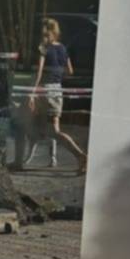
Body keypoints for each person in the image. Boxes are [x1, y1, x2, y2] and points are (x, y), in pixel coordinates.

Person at [24, 17, 87, 173]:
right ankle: (49, 158)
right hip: (57, 90)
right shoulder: (63, 48)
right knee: (48, 128)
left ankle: (80, 156)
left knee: (50, 130)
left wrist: (32, 93)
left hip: (45, 91)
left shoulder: (44, 48)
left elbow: (39, 72)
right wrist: (56, 73)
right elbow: (69, 71)